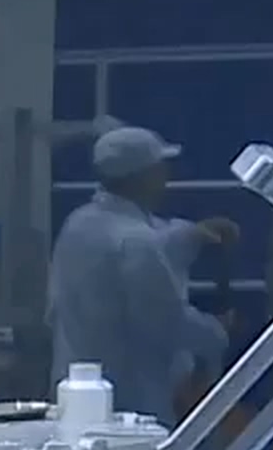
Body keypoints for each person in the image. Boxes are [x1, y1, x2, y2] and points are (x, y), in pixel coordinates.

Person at [47, 123, 236, 426]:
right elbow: (166, 322)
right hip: (131, 402)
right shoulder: (135, 241)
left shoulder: (79, 224)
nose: (166, 176)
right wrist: (216, 332)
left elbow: (144, 251)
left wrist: (194, 235)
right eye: (160, 168)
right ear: (144, 176)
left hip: (79, 396)